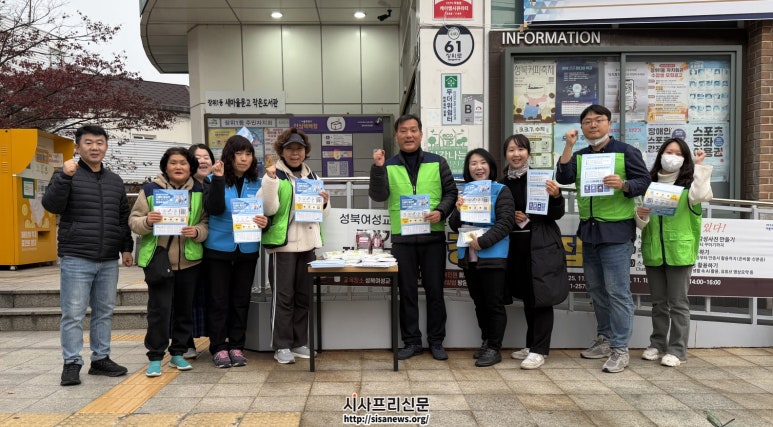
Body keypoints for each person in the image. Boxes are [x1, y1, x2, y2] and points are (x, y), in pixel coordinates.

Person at [556, 104, 651, 373]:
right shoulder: (580, 155)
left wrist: (624, 185)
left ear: (609, 124)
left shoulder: (626, 151)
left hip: (617, 232)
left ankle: (620, 349)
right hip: (590, 232)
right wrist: (568, 146)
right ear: (582, 127)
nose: (593, 125)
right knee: (597, 291)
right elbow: (563, 176)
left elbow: (645, 181)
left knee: (618, 292)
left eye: (598, 120)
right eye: (587, 121)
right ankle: (605, 339)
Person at [41, 125, 134, 386]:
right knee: (73, 313)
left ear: (106, 146)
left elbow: (122, 218)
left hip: (108, 258)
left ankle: (101, 359)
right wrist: (64, 177)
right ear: (78, 147)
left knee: (104, 311)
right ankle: (71, 362)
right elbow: (51, 205)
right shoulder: (66, 174)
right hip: (76, 256)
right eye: (89, 142)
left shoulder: (115, 180)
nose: (95, 147)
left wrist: (126, 248)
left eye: (100, 142)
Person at [368, 114, 458, 360]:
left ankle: (436, 341)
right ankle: (411, 342)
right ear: (396, 135)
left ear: (420, 134)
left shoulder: (438, 162)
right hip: (403, 239)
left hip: (433, 237)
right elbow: (378, 196)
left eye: (413, 130)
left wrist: (441, 211)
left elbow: (451, 192)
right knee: (406, 292)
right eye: (403, 131)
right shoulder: (388, 165)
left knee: (435, 292)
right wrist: (378, 169)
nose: (409, 135)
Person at [129, 147, 209, 377]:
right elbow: (134, 221)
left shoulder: (200, 190)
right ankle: (155, 356)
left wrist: (197, 231)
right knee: (159, 311)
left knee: (185, 309)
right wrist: (148, 221)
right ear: (165, 166)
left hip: (189, 260)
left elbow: (205, 221)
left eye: (183, 163)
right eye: (173, 163)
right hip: (158, 259)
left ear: (190, 167)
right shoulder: (150, 190)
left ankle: (178, 352)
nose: (178, 167)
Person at [636, 139, 713, 367]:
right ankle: (657, 344)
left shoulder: (689, 186)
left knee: (678, 303)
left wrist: (698, 166)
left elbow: (702, 195)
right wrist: (641, 215)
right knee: (658, 303)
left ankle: (677, 350)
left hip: (679, 252)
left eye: (678, 154)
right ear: (660, 154)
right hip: (654, 251)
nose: (672, 157)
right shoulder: (648, 184)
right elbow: (640, 223)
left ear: (685, 158)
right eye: (669, 152)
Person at [260, 128, 330, 364]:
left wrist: (324, 203)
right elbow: (268, 208)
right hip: (284, 246)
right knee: (283, 297)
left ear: (305, 151)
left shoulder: (313, 177)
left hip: (308, 245)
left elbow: (323, 215)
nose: (294, 153)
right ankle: (281, 345)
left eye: (299, 149)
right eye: (289, 149)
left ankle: (299, 342)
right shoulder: (274, 175)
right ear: (282, 151)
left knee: (303, 296)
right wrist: (270, 181)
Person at [500, 135, 569, 370]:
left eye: (521, 149)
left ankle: (540, 350)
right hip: (516, 247)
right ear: (506, 154)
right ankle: (531, 345)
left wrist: (556, 196)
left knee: (542, 297)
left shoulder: (541, 179)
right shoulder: (502, 184)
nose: (516, 154)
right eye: (511, 150)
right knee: (530, 297)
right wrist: (510, 216)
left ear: (528, 153)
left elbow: (556, 214)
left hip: (541, 245)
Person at [203, 135, 269, 368]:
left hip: (247, 249)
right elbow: (214, 208)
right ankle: (219, 347)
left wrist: (266, 222)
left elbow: (269, 213)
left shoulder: (258, 184)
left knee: (241, 300)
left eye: (248, 154)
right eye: (238, 153)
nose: (243, 158)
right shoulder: (212, 179)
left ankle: (236, 345)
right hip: (218, 249)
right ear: (229, 156)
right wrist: (219, 179)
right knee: (218, 300)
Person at [447, 149, 514, 367]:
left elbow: (506, 222)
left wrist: (483, 241)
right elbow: (454, 225)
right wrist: (458, 210)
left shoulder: (501, 190)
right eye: (473, 163)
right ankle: (486, 341)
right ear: (468, 169)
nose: (478, 167)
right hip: (470, 256)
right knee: (480, 303)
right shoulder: (466, 191)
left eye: (483, 162)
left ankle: (495, 347)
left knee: (494, 303)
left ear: (491, 166)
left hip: (493, 255)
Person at [181, 143, 215, 359]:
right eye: (197, 157)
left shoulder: (217, 183)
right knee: (188, 298)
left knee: (211, 296)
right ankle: (186, 342)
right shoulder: (182, 187)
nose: (203, 161)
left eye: (206, 157)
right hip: (188, 250)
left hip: (214, 249)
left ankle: (216, 340)